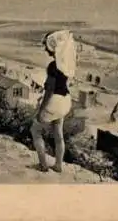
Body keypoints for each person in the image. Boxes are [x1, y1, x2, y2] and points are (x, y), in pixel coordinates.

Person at [31, 30, 77, 173]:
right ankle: (58, 165)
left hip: (54, 100)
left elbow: (49, 90)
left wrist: (40, 110)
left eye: (47, 45)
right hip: (65, 100)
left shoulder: (53, 66)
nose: (45, 48)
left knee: (35, 130)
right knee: (58, 133)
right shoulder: (66, 64)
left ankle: (43, 165)